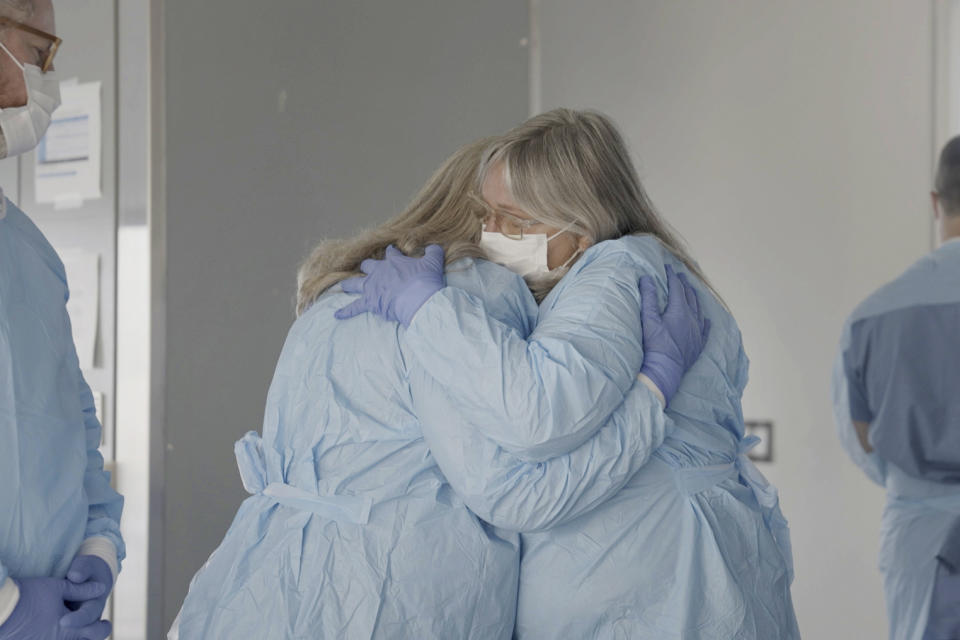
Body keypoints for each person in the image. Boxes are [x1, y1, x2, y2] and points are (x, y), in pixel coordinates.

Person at [169, 138, 705, 638]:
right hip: (387, 594)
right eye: (510, 215)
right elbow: (515, 489)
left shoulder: (344, 289)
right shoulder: (467, 296)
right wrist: (651, 390)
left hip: (261, 579)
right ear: (475, 212)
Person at [339, 108, 800, 638]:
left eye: (516, 219)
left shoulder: (614, 272)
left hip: (643, 570)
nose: (491, 233)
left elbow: (534, 412)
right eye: (486, 213)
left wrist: (431, 312)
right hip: (694, 560)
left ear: (582, 225)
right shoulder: (661, 268)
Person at [0, 1, 125, 639]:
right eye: (42, 51)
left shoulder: (27, 249)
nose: (50, 75)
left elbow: (70, 421)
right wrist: (9, 607)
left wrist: (96, 546)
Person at [833, 135, 960, 640]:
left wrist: (916, 484)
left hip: (918, 539)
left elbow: (860, 441)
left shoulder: (871, 317)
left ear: (936, 202)